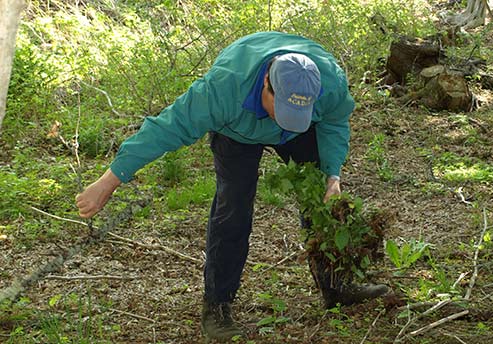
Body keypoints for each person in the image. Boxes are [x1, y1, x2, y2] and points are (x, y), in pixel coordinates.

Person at [75, 31, 388, 342]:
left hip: (299, 134)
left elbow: (334, 123)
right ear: (266, 83)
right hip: (236, 130)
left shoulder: (329, 82)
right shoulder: (222, 90)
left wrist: (333, 176)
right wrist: (110, 180)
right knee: (233, 206)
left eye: (295, 113)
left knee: (322, 196)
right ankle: (217, 303)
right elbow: (166, 129)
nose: (282, 120)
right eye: (280, 110)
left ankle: (337, 285)